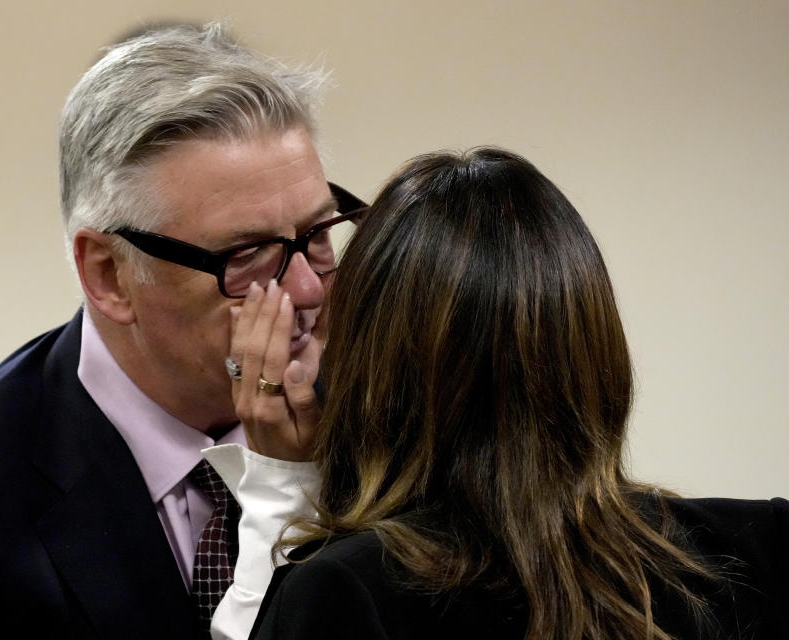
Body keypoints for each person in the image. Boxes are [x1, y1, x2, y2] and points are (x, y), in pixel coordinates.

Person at [0, 23, 365, 639]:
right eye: (245, 255)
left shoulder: (389, 428)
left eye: (318, 235)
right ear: (108, 274)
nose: (307, 290)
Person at [240, 148, 788, 639]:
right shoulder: (764, 546)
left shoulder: (343, 592)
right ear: (592, 347)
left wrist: (281, 488)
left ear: (368, 372)